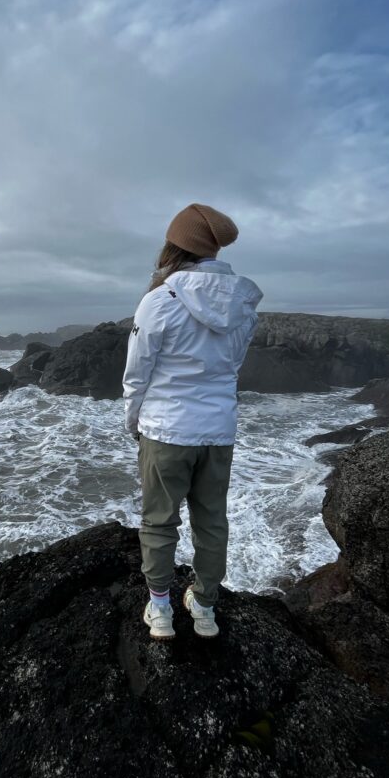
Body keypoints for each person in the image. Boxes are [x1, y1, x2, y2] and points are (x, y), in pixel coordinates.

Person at [122, 202, 263, 641]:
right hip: (218, 430)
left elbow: (137, 371)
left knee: (160, 521)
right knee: (212, 522)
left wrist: (133, 420)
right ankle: (204, 607)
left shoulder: (160, 299)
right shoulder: (242, 302)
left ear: (174, 245)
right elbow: (232, 365)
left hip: (166, 428)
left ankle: (160, 610)